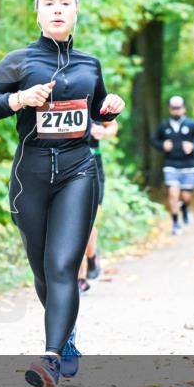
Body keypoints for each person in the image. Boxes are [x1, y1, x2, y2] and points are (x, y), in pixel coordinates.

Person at [0, 0, 124, 387]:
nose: (57, 10)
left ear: (76, 11)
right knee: (42, 269)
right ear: (37, 13)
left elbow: (95, 112)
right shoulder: (20, 61)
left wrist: (109, 108)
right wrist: (19, 98)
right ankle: (69, 335)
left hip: (79, 171)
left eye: (65, 4)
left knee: (63, 266)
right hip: (31, 177)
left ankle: (51, 358)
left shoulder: (90, 65)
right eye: (49, 4)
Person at [151, 96, 194, 235]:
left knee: (186, 196)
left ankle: (185, 208)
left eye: (179, 107)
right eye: (174, 108)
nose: (176, 110)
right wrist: (162, 145)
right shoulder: (164, 125)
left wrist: (193, 146)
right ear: (170, 109)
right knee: (173, 194)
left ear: (184, 108)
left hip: (189, 165)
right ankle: (175, 223)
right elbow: (154, 140)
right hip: (171, 164)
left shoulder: (191, 124)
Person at [77, 119, 119, 293]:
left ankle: (92, 256)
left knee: (87, 223)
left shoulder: (93, 98)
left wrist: (103, 132)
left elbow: (113, 125)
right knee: (75, 226)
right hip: (67, 168)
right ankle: (79, 277)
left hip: (93, 167)